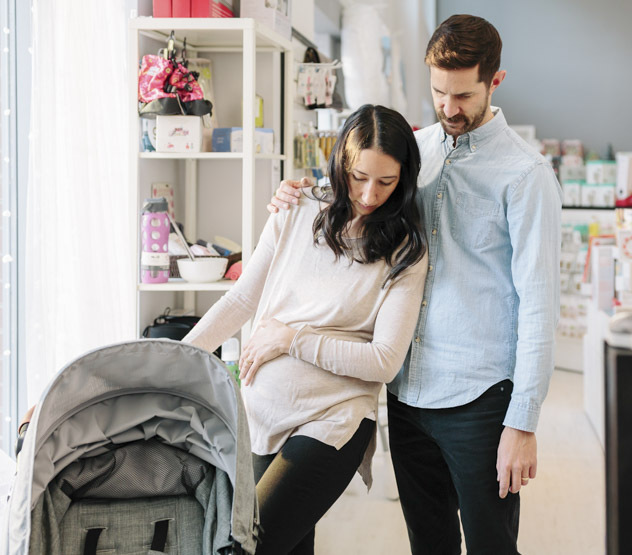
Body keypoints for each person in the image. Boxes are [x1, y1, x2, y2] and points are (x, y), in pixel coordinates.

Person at [268, 15, 562, 554]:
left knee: (492, 546)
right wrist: (296, 192)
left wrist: (523, 422)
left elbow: (541, 306)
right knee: (428, 544)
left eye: (464, 96)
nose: (449, 108)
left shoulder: (526, 175)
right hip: (405, 394)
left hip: (481, 397)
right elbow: (359, 189)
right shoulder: (415, 150)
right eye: (439, 92)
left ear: (495, 82)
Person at [184, 104, 428, 554]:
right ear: (340, 164)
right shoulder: (296, 208)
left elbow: (384, 361)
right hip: (261, 413)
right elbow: (241, 299)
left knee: (245, 545)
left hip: (334, 419)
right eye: (359, 177)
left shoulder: (405, 252)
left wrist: (290, 339)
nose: (370, 194)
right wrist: (175, 359)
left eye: (386, 182)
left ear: (404, 179)